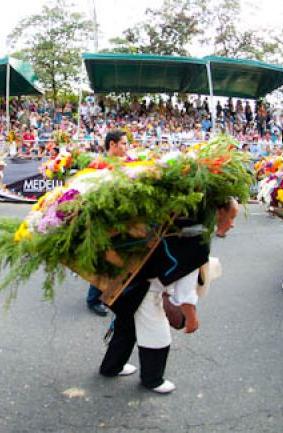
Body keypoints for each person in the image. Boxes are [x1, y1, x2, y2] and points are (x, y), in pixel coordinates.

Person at [99, 198, 239, 394]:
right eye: (231, 217)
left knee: (127, 326)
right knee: (156, 333)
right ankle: (152, 379)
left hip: (129, 280)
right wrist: (191, 319)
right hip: (143, 287)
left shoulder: (182, 222)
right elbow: (185, 292)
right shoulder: (195, 238)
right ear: (219, 211)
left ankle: (111, 367)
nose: (232, 223)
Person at [86, 130, 129, 316]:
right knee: (105, 259)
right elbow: (88, 191)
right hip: (104, 219)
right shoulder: (97, 165)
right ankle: (93, 299)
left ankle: (110, 291)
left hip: (122, 219)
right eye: (124, 144)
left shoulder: (127, 163)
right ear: (112, 144)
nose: (127, 148)